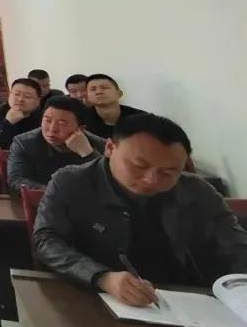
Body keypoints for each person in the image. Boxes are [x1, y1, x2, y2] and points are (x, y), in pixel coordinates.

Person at [33, 114, 247, 307]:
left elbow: (236, 245)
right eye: (140, 166)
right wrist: (102, 277)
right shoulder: (71, 182)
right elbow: (47, 240)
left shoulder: (197, 191)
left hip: (188, 301)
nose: (151, 180)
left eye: (168, 172)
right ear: (110, 148)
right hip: (99, 300)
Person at [6, 96, 106, 194]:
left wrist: (88, 153)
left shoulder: (100, 144)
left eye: (62, 124)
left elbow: (109, 184)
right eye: (47, 121)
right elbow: (16, 179)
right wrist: (57, 194)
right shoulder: (24, 143)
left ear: (81, 129)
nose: (52, 129)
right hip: (40, 201)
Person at [0, 78, 42, 156]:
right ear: (9, 95)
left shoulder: (43, 119)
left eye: (27, 96)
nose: (20, 99)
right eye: (16, 94)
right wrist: (7, 123)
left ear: (38, 101)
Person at [83, 73, 146, 139]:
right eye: (93, 89)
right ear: (87, 97)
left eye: (104, 88)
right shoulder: (82, 121)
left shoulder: (141, 119)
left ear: (119, 94)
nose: (98, 92)